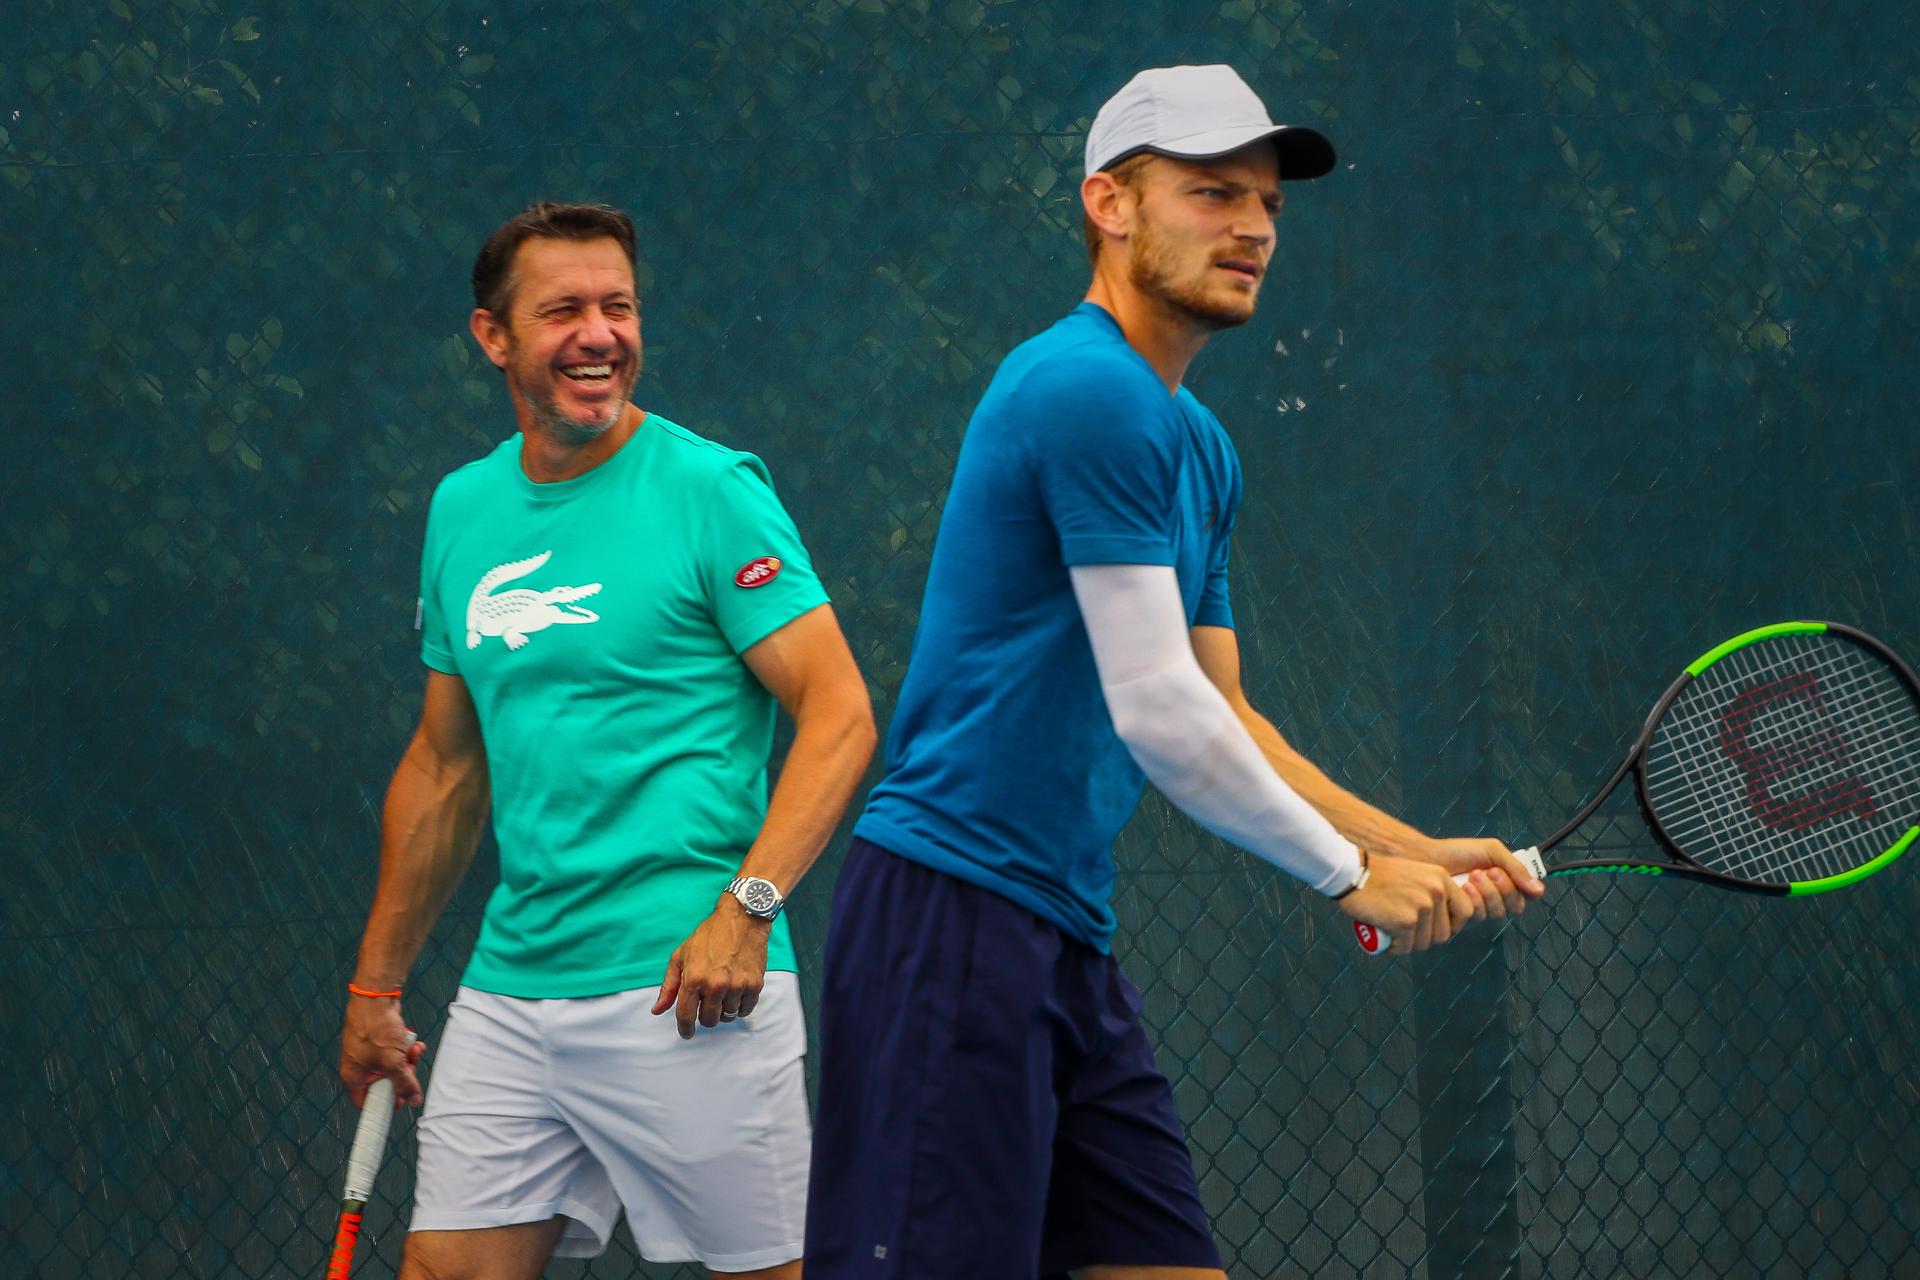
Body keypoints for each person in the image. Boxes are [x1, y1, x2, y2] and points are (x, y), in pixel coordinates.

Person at [802, 66, 1545, 1279]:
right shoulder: (1085, 387)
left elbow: (1224, 708)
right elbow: (1155, 705)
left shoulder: (1199, 445)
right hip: (952, 917)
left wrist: (1408, 843)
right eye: (1212, 193)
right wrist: (1349, 873)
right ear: (1109, 203)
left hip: (1062, 931)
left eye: (1268, 202)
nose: (1252, 226)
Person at [339, 201, 876, 1280]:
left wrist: (748, 909)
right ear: (494, 337)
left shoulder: (712, 490)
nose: (599, 335)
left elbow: (841, 713)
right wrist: (374, 988)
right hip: (512, 988)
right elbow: (446, 765)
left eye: (618, 307)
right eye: (564, 311)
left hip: (691, 989)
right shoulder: (463, 507)